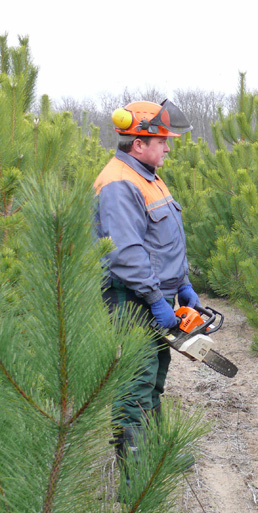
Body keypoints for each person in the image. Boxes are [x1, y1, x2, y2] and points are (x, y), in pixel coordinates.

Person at [93, 99, 198, 478]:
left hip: (153, 293)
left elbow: (161, 240)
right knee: (135, 381)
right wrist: (156, 299)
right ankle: (135, 473)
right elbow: (127, 251)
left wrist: (182, 285)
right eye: (162, 141)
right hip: (131, 297)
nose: (168, 147)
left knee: (154, 375)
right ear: (139, 143)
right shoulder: (119, 183)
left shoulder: (148, 174)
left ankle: (152, 456)